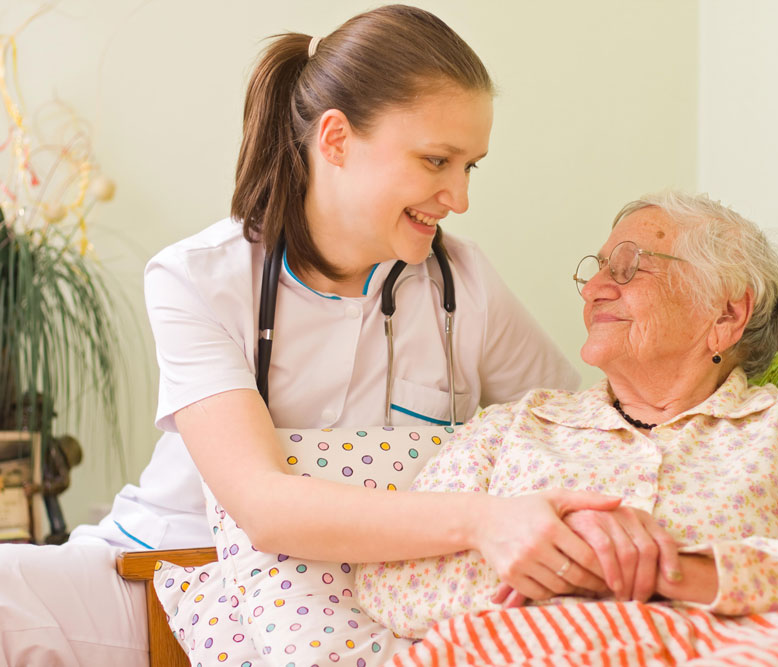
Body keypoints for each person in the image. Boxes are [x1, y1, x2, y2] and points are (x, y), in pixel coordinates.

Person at [0, 6, 630, 665]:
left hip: (372, 595)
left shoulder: (464, 286)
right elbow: (264, 507)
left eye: (470, 166)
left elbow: (573, 434)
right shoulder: (199, 280)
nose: (459, 197)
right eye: (436, 160)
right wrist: (480, 517)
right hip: (172, 565)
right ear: (335, 140)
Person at [355, 190, 778, 638]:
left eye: (626, 269)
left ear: (726, 312)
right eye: (597, 269)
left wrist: (673, 571)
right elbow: (382, 579)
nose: (594, 290)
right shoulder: (515, 426)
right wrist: (563, 561)